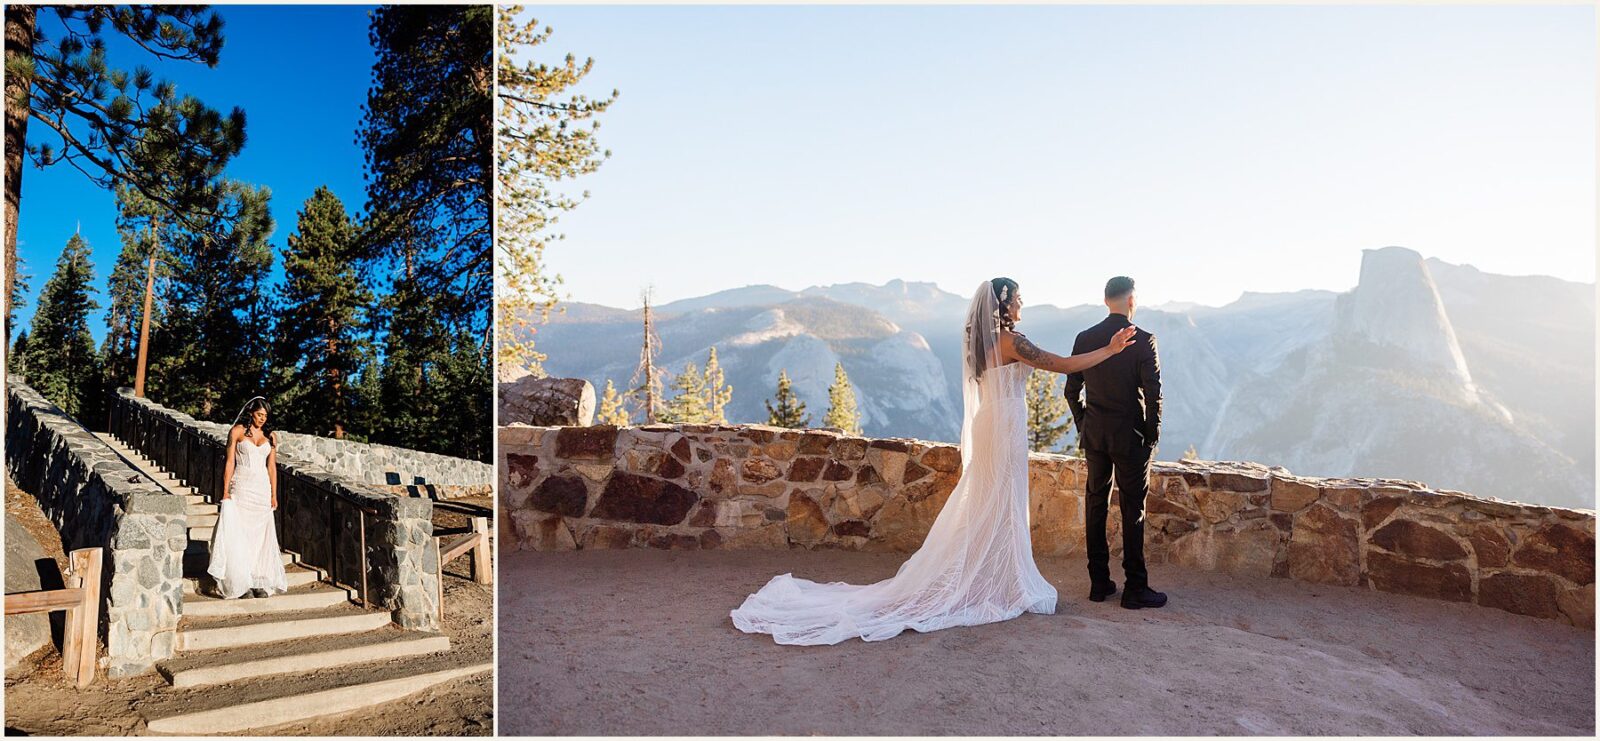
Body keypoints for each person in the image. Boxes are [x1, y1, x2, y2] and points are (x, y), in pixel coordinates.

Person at [730, 278, 1136, 644]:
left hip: (990, 422)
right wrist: (1110, 349)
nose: (1022, 307)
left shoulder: (982, 341)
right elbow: (1062, 365)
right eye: (1019, 300)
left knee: (991, 500)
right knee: (1003, 501)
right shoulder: (1012, 341)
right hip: (1005, 426)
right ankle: (1003, 583)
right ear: (1005, 303)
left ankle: (994, 577)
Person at [1065, 275, 1166, 609]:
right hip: (1130, 437)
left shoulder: (1085, 338)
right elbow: (1154, 394)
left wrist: (1084, 423)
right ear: (1131, 301)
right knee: (1132, 510)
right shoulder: (1144, 340)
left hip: (1095, 435)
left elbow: (1071, 390)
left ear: (1106, 300)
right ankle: (1135, 588)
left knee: (1095, 505)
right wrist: (1151, 434)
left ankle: (1099, 584)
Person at [206, 396, 289, 599]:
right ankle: (239, 582)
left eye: (265, 416)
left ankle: (257, 580)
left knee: (260, 537)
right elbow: (229, 462)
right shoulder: (237, 432)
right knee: (240, 533)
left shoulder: (271, 437)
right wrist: (225, 490)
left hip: (261, 489)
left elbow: (272, 468)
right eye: (259, 414)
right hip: (241, 486)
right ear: (251, 412)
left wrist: (274, 494)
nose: (262, 419)